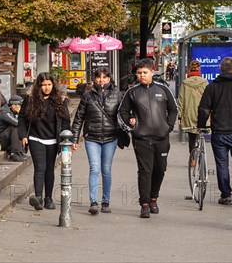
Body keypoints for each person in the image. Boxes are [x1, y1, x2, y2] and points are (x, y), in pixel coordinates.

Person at [118, 58, 178, 218]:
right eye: (139, 73)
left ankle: (154, 198)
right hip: (142, 138)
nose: (141, 76)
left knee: (160, 169)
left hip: (162, 137)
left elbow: (174, 110)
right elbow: (122, 112)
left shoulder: (163, 90)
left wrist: (168, 127)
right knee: (145, 170)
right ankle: (144, 204)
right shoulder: (132, 92)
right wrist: (131, 125)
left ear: (152, 72)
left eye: (144, 72)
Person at [197, 57, 232, 207]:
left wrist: (202, 126)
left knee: (222, 164)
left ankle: (225, 195)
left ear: (221, 69)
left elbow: (204, 109)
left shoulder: (212, 87)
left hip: (219, 131)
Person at [71, 68, 122, 215]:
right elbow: (79, 117)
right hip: (92, 137)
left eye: (105, 77)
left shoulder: (117, 95)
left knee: (106, 170)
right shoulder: (87, 96)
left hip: (110, 137)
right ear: (94, 79)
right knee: (94, 168)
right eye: (99, 77)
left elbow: (123, 114)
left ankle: (105, 201)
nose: (101, 80)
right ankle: (93, 201)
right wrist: (75, 138)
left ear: (110, 79)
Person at [18, 72, 71, 211]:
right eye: (43, 85)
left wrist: (65, 139)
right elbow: (22, 117)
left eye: (49, 85)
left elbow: (65, 121)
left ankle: (49, 198)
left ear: (53, 85)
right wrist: (23, 135)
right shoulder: (30, 99)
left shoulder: (61, 100)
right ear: (39, 86)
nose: (47, 88)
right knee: (39, 168)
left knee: (49, 169)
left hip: (53, 140)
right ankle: (38, 198)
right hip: (36, 138)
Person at [177, 60, 208, 162]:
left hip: (189, 114)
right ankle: (201, 157)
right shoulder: (205, 83)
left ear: (189, 69)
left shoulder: (185, 83)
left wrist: (180, 116)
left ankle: (192, 158)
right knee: (201, 134)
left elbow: (180, 101)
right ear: (200, 70)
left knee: (191, 137)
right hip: (203, 114)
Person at [0, 94, 27, 162]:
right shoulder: (5, 112)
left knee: (20, 129)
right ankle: (15, 154)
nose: (21, 108)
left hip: (5, 139)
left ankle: (20, 152)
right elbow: (17, 123)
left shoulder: (12, 112)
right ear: (14, 105)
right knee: (15, 127)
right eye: (20, 106)